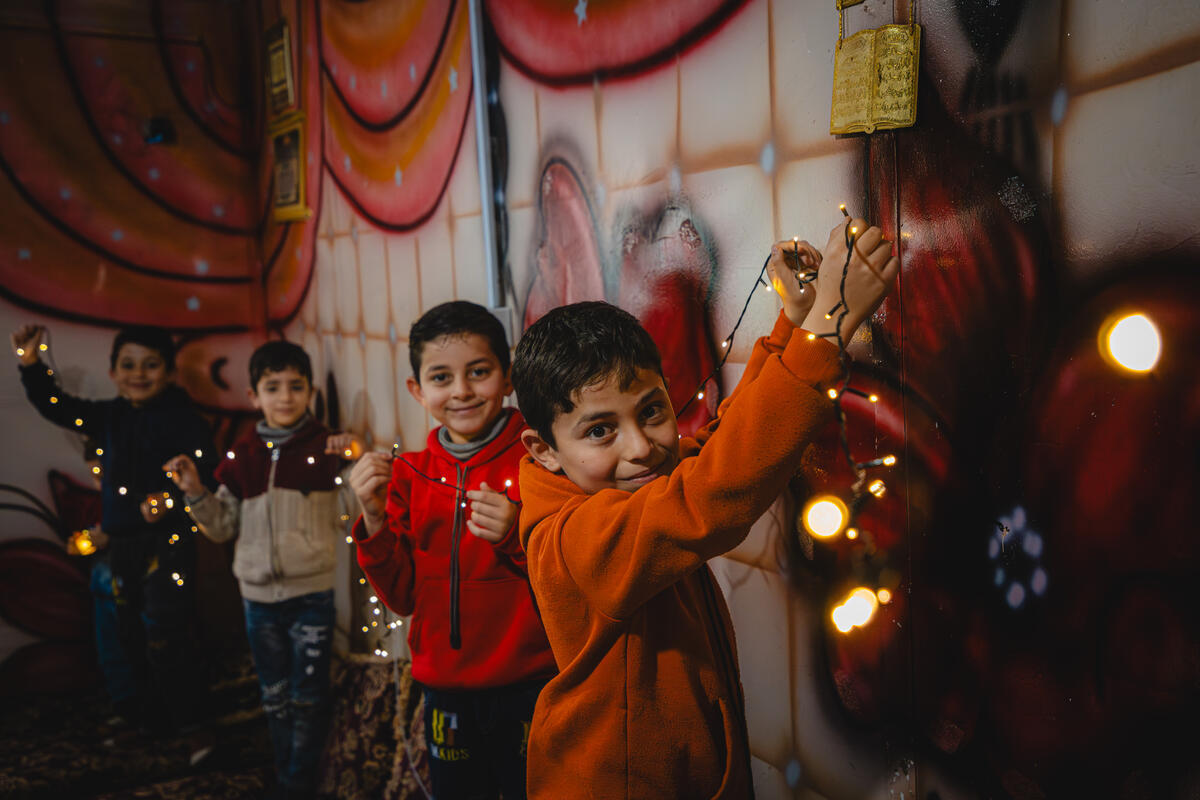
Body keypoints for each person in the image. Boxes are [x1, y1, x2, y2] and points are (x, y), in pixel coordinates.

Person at [509, 219, 899, 799]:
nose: (640, 446)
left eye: (651, 411)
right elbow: (712, 491)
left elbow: (719, 447)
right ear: (544, 452)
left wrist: (792, 327)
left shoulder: (637, 486)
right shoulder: (572, 542)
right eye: (599, 431)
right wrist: (826, 331)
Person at [349, 301, 556, 800]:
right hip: (445, 692)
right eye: (441, 377)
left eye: (478, 372)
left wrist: (516, 533)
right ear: (418, 391)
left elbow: (570, 573)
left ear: (507, 378)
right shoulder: (408, 475)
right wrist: (374, 518)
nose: (461, 391)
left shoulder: (541, 457)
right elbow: (400, 596)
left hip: (534, 683)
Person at [163, 340, 358, 800]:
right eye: (273, 387)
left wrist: (351, 460)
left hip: (311, 595)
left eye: (296, 386)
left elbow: (353, 509)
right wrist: (193, 491)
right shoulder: (241, 455)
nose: (285, 396)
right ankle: (286, 767)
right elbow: (221, 527)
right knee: (275, 696)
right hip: (257, 602)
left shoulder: (325, 447)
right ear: (254, 396)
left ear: (310, 391)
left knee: (308, 698)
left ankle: (296, 784)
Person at [11, 323, 217, 747]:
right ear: (112, 372)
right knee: (129, 637)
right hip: (121, 546)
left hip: (169, 545)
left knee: (167, 634)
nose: (138, 374)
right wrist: (31, 363)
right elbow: (57, 407)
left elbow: (209, 475)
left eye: (150, 365)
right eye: (127, 365)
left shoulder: (184, 421)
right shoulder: (109, 417)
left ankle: (194, 724)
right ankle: (147, 720)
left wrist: (170, 501)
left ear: (170, 373)